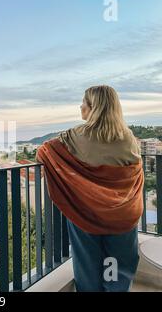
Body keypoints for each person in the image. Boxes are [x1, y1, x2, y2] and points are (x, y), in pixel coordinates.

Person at [36, 85, 144, 292]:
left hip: (87, 212)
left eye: (83, 102)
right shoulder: (128, 137)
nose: (80, 106)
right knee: (117, 264)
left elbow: (44, 152)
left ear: (93, 107)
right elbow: (133, 172)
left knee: (88, 263)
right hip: (123, 214)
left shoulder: (75, 136)